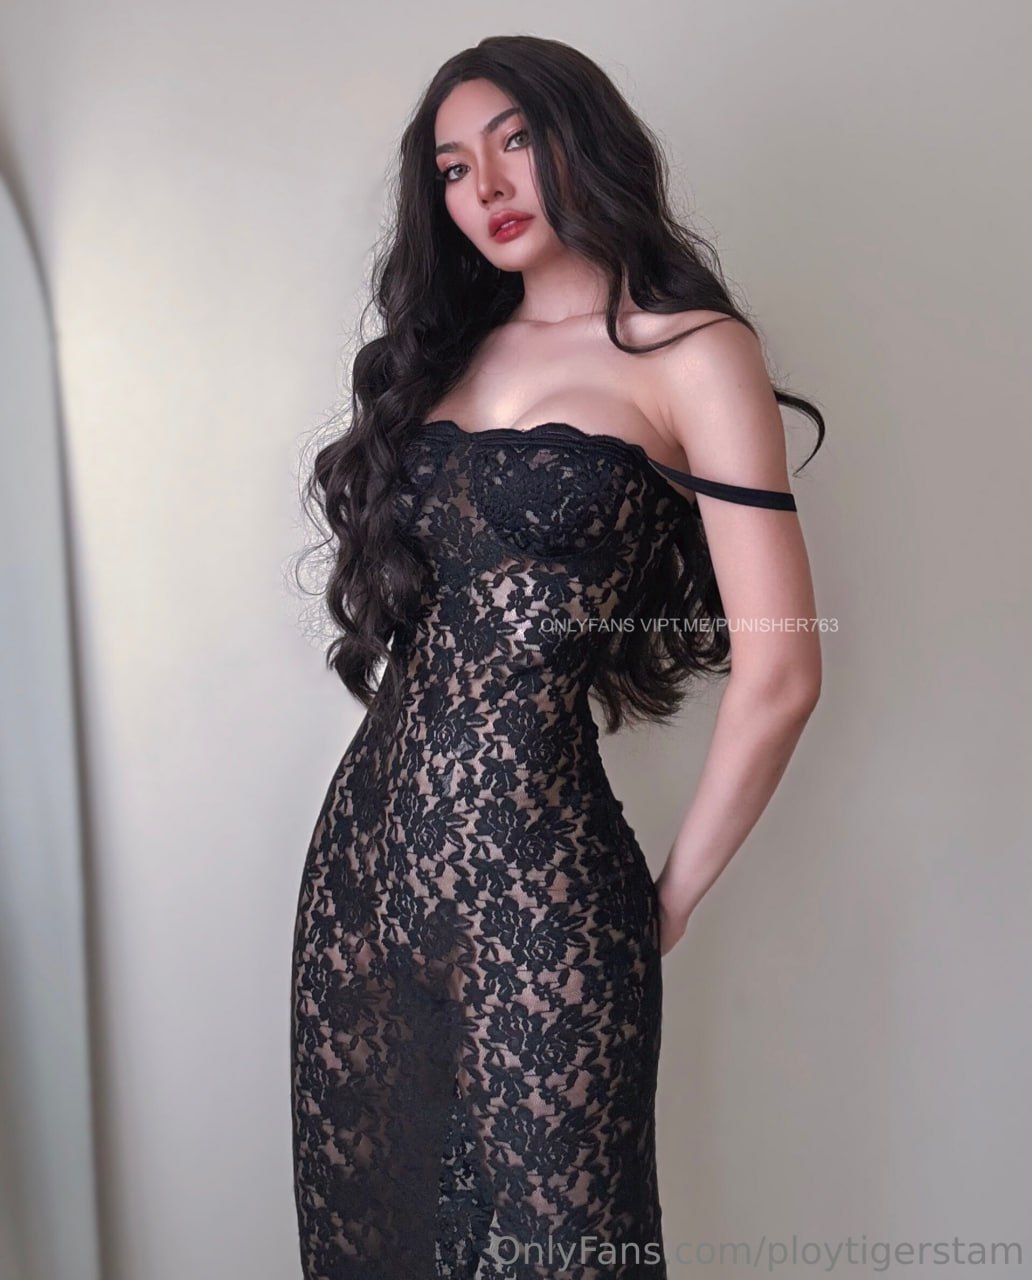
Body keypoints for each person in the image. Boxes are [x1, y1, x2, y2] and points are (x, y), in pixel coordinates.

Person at [289, 33, 823, 1280]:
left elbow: (785, 669)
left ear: (582, 138)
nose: (485, 185)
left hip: (544, 889)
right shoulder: (444, 354)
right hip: (362, 875)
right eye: (452, 167)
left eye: (515, 141)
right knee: (374, 1248)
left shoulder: (691, 352)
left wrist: (669, 896)